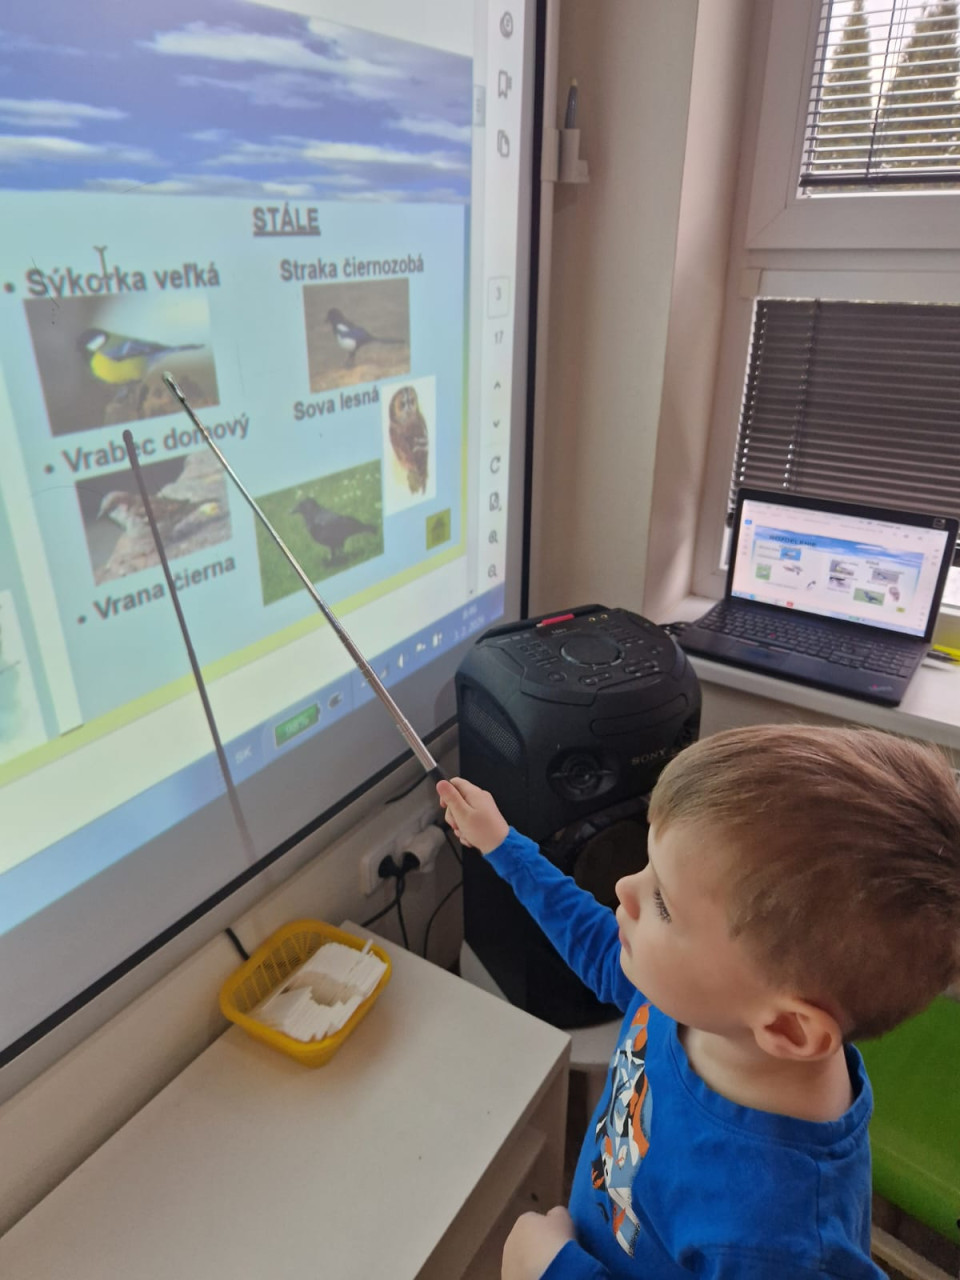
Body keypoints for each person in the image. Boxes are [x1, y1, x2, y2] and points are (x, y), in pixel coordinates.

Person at [437, 725, 960, 1280]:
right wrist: (503, 845)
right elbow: (602, 948)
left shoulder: (786, 1244)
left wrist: (552, 1269)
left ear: (789, 1027)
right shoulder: (704, 1005)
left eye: (663, 903)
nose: (624, 889)